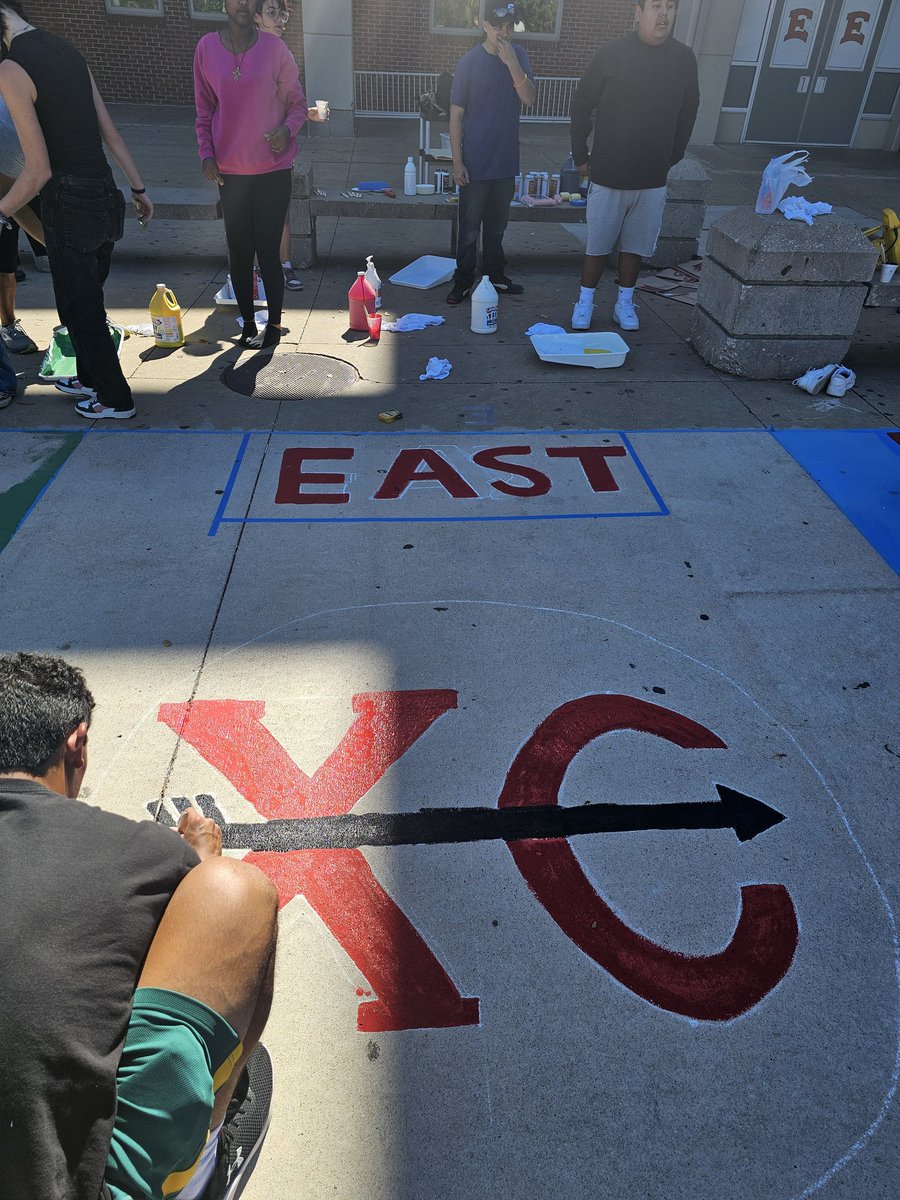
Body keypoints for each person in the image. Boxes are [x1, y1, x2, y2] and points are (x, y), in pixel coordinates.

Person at [0, 651, 279, 1200]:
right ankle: (199, 1166)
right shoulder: (139, 850)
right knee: (234, 894)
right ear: (75, 743)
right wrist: (197, 864)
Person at [0, 3, 154, 420]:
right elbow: (111, 132)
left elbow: (37, 170)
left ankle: (115, 399)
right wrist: (138, 188)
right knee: (83, 301)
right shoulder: (68, 50)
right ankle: (88, 378)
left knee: (81, 309)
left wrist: (1, 210)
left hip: (69, 205)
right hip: (105, 197)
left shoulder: (12, 70)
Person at [569, 0, 699, 332]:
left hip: (652, 176)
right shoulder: (612, 53)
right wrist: (580, 155)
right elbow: (582, 102)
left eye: (670, 6)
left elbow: (689, 110)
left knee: (636, 246)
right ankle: (584, 303)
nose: (664, 14)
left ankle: (624, 304)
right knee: (598, 244)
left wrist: (674, 155)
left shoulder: (684, 59)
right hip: (609, 172)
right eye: (656, 5)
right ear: (638, 11)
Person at [195, 0, 307, 352]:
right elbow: (203, 110)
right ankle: (247, 322)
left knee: (268, 252)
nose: (243, 4)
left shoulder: (275, 48)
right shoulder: (206, 48)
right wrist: (207, 154)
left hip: (273, 171)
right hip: (230, 174)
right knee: (240, 252)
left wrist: (287, 131)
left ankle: (273, 323)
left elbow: (298, 105)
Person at [445, 2, 536, 306]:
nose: (504, 32)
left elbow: (530, 99)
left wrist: (511, 63)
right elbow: (456, 115)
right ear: (484, 25)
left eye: (509, 26)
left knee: (497, 227)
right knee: (469, 229)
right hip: (476, 162)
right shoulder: (468, 62)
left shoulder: (519, 55)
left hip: (506, 161)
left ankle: (495, 275)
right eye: (498, 26)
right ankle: (463, 280)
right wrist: (457, 162)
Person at [253, 0, 327, 294]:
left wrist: (305, 113)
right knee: (254, 216)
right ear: (257, 17)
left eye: (283, 13)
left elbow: (289, 102)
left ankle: (284, 266)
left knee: (280, 214)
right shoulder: (246, 53)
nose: (281, 19)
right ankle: (257, 271)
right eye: (272, 13)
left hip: (278, 153)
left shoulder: (284, 54)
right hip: (248, 153)